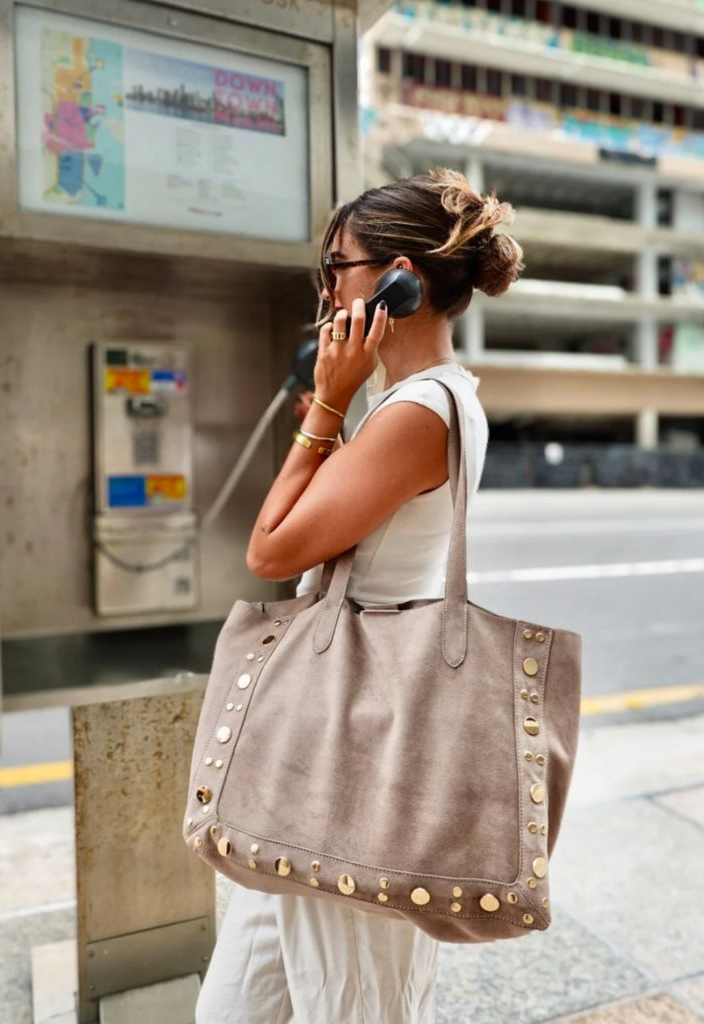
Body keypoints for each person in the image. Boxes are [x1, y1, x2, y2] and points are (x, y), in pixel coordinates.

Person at [195, 167, 524, 1024]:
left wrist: (326, 405)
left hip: (358, 750)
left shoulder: (422, 410)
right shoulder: (408, 404)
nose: (326, 289)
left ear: (399, 277)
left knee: (356, 1004)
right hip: (320, 739)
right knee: (232, 1010)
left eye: (336, 267)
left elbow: (270, 549)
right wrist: (340, 407)